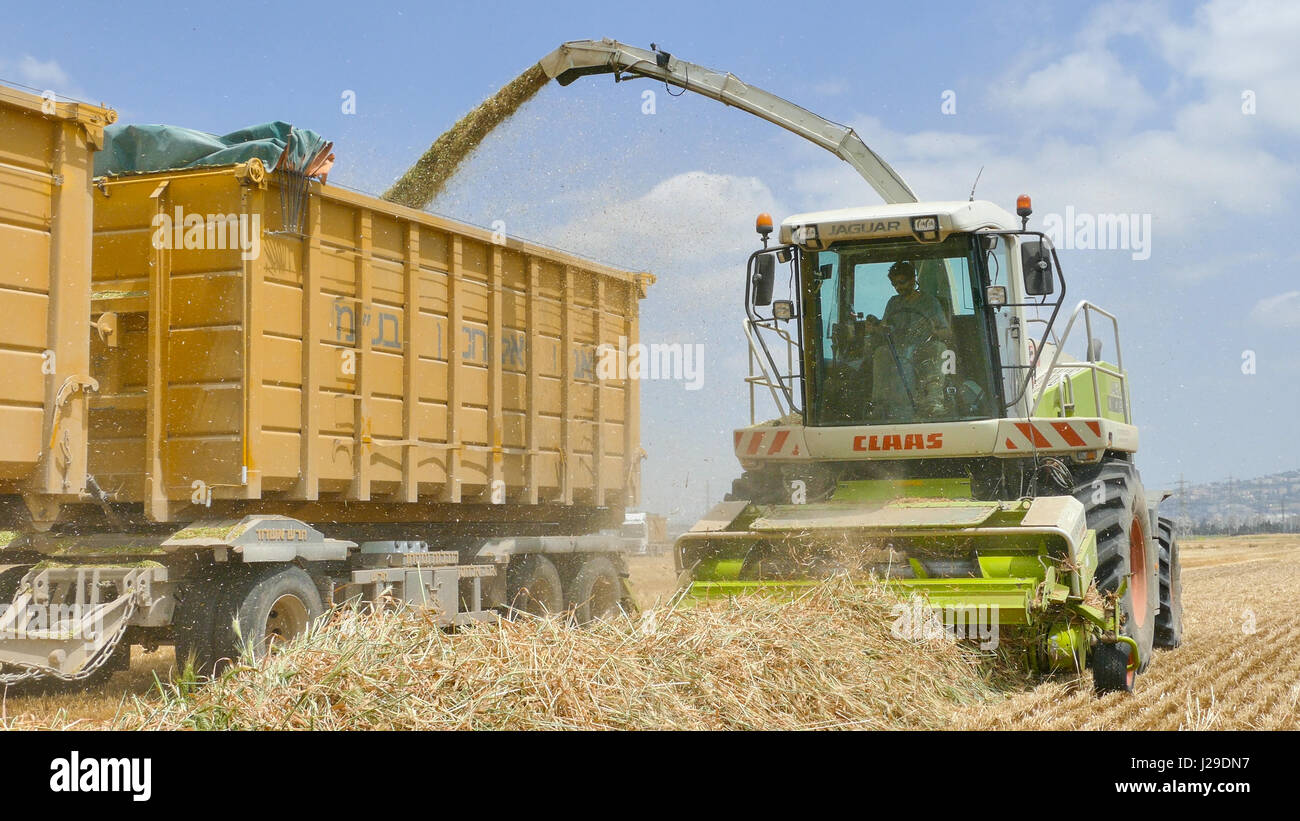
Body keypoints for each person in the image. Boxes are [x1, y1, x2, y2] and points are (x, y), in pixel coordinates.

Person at [863, 261, 951, 418]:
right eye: (894, 284)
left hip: (923, 349)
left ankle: (933, 401)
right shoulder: (893, 302)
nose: (898, 287)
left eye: (901, 282)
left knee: (939, 349)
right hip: (897, 349)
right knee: (881, 352)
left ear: (912, 279)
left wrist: (934, 331)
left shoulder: (930, 302)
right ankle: (879, 404)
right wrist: (875, 327)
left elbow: (947, 332)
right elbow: (885, 328)